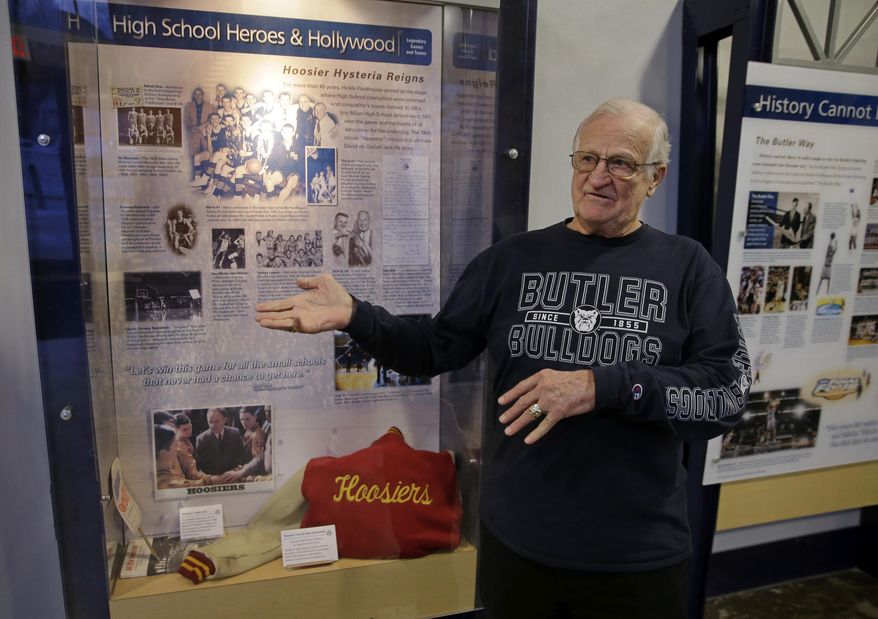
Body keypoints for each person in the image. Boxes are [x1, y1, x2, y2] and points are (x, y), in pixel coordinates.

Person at [255, 98, 750, 618]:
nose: (598, 176)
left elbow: (726, 394)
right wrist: (357, 316)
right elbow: (433, 346)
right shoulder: (512, 260)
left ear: (655, 177)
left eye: (621, 163)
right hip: (518, 549)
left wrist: (600, 385)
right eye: (587, 158)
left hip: (637, 560)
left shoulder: (688, 267)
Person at [195, 408, 248, 476]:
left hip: (234, 475)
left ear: (225, 420)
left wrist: (235, 471)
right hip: (214, 478)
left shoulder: (235, 433)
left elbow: (241, 456)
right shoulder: (201, 439)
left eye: (216, 422)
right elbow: (202, 466)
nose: (213, 426)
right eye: (210, 422)